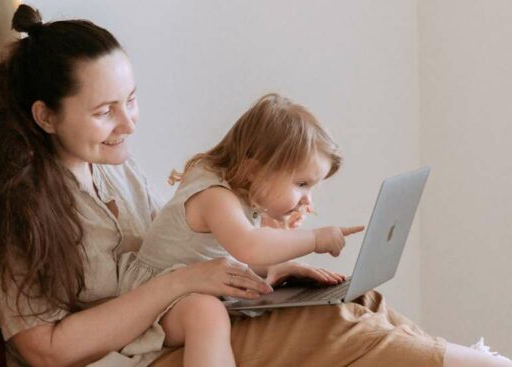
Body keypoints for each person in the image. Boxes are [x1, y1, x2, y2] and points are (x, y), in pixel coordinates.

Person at [0, 4, 512, 367]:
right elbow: (46, 349)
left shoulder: (111, 167)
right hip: (118, 360)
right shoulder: (12, 208)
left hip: (170, 330)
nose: (129, 122)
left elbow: (162, 255)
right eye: (105, 111)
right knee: (332, 326)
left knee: (349, 299)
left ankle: (484, 359)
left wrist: (256, 269)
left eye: (131, 100)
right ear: (43, 116)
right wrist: (179, 288)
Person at [117, 92, 364, 366]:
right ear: (253, 171)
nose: (308, 199)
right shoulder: (214, 196)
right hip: (155, 300)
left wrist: (281, 244)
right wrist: (315, 239)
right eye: (302, 184)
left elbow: (241, 251)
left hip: (193, 286)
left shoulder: (242, 191)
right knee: (206, 313)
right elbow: (250, 247)